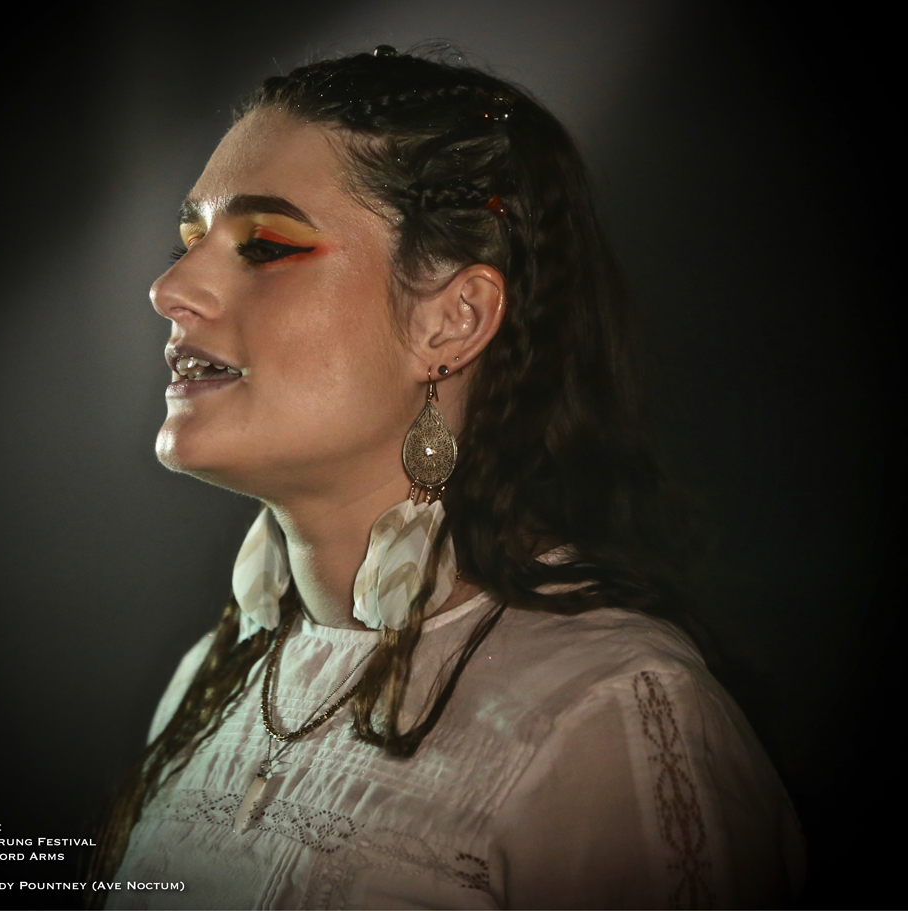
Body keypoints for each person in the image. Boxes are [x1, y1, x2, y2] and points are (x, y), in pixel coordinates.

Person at [90, 46, 805, 910]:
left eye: (267, 245)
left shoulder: (604, 710)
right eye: (190, 241)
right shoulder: (213, 679)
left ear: (453, 320)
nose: (170, 287)